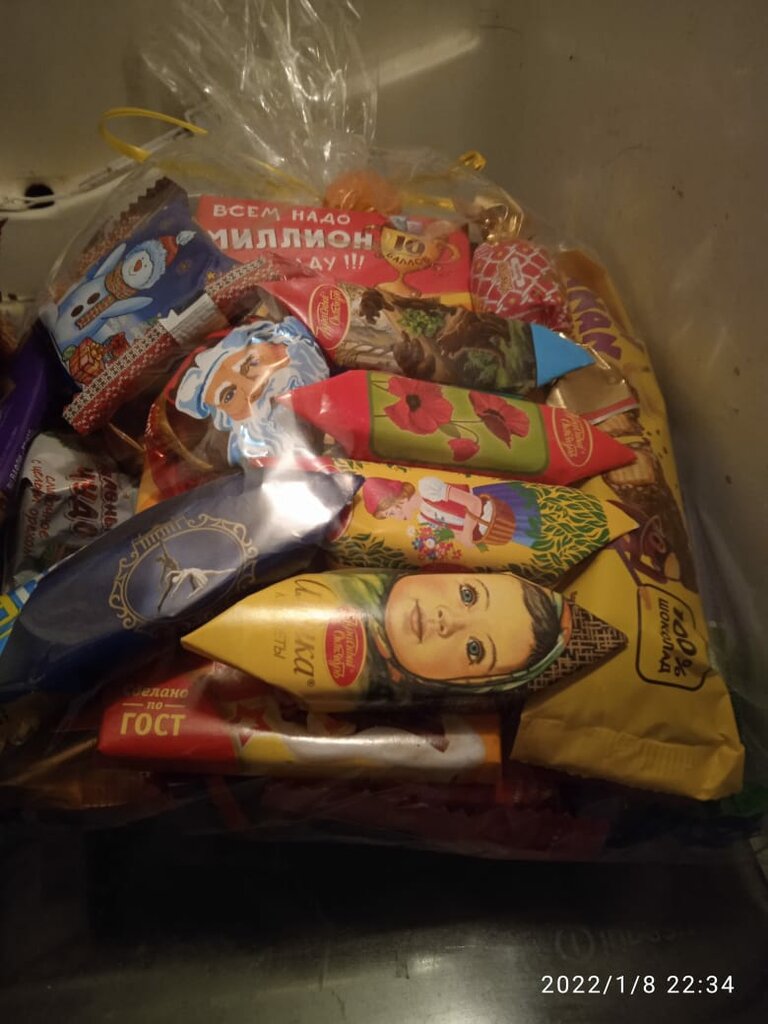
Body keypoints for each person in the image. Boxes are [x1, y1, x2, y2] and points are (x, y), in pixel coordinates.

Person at [326, 570, 573, 699]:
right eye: (468, 595)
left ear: (463, 684)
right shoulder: (342, 581)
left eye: (475, 649)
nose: (450, 621)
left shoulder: (356, 695)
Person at [174, 318, 328, 465]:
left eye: (252, 363)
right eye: (229, 395)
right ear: (226, 416)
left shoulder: (308, 345)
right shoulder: (248, 454)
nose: (253, 389)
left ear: (277, 344)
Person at [361, 474, 541, 548]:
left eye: (392, 513)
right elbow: (458, 535)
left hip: (497, 510)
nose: (397, 519)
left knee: (538, 524)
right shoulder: (424, 519)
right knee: (535, 542)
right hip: (493, 531)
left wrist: (467, 534)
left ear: (400, 498)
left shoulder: (427, 488)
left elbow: (474, 503)